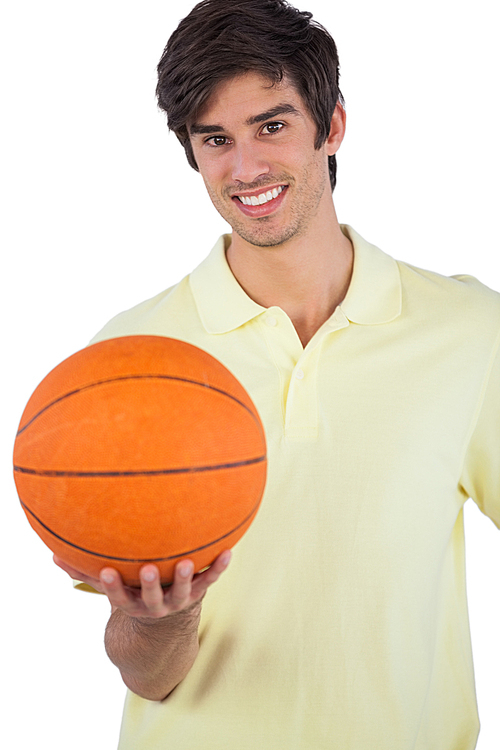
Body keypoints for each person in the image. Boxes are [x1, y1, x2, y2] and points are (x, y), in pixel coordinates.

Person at [54, 1, 500, 748]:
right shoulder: (127, 361)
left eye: (272, 125)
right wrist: (162, 622)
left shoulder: (468, 334)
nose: (247, 168)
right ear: (191, 152)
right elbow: (145, 672)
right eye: (215, 139)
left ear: (332, 127)